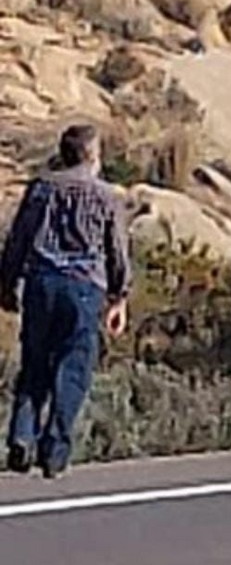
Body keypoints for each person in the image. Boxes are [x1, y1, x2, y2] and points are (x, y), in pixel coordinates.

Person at [0, 124, 130, 478]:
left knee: (34, 362)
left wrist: (7, 284)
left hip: (41, 284)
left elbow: (18, 239)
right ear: (92, 156)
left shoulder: (41, 188)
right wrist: (119, 296)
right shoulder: (106, 196)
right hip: (84, 288)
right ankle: (54, 450)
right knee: (73, 369)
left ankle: (22, 435)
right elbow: (117, 249)